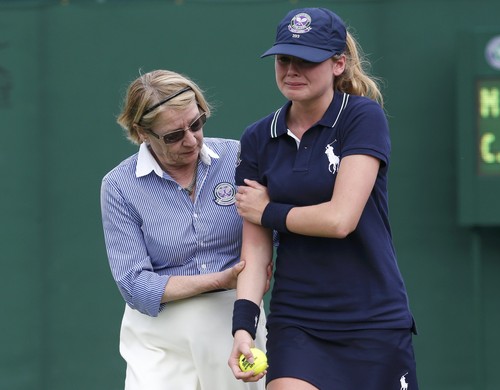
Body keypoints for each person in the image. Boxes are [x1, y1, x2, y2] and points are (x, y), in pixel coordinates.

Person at [228, 8, 419, 390]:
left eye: (307, 60)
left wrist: (269, 211)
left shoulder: (362, 117)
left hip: (374, 319)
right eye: (284, 59)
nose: (292, 70)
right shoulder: (258, 137)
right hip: (297, 322)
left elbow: (340, 220)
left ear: (337, 64)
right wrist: (243, 328)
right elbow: (255, 251)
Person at [100, 69, 267, 390]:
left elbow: (269, 235)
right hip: (158, 333)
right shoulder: (118, 185)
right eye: (173, 135)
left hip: (233, 320)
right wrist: (218, 279)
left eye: (196, 124)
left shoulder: (237, 157)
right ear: (142, 133)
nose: (190, 140)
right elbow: (135, 285)